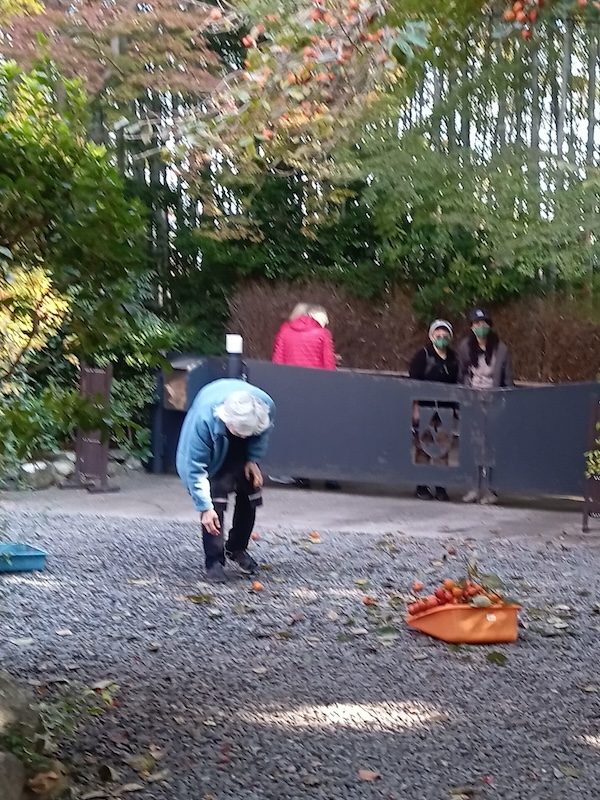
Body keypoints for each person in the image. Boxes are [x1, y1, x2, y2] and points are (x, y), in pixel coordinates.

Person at [176, 378, 275, 582]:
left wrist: (252, 459)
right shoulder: (204, 420)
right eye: (239, 433)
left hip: (244, 425)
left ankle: (236, 548)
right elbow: (194, 468)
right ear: (227, 421)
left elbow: (262, 434)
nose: (243, 437)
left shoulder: (266, 407)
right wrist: (204, 507)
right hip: (217, 437)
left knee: (250, 491)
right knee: (215, 500)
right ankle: (214, 561)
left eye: (247, 433)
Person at [457, 307, 514, 504]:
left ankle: (491, 488)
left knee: (491, 445)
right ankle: (473, 486)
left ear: (489, 325)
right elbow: (461, 374)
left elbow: (507, 378)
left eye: (484, 323)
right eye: (476, 323)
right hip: (473, 401)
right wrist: (464, 396)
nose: (480, 327)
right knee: (473, 444)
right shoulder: (465, 347)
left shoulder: (501, 349)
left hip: (493, 401)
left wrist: (506, 401)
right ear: (471, 326)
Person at [409, 319, 459, 502]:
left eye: (445, 335)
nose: (441, 337)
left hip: (445, 410)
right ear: (431, 336)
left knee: (443, 448)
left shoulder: (454, 358)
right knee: (423, 447)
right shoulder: (422, 356)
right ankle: (421, 486)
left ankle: (440, 486)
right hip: (425, 409)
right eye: (438, 334)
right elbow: (413, 383)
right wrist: (415, 408)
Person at [272, 304, 336, 370]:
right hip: (315, 375)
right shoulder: (323, 334)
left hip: (289, 374)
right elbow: (329, 363)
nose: (326, 322)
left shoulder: (285, 332)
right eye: (324, 318)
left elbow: (278, 359)